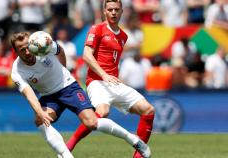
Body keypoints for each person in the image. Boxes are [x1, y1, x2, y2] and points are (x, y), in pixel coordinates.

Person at [10, 32, 151, 158]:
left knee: (92, 123)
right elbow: (29, 95)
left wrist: (64, 69)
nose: (28, 52)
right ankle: (66, 155)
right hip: (49, 96)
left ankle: (134, 140)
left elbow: (60, 51)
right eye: (22, 50)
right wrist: (40, 112)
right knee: (40, 120)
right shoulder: (17, 72)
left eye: (28, 47)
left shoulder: (43, 44)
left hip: (69, 87)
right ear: (16, 52)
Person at [65, 1, 155, 158]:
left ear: (122, 12)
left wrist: (112, 77)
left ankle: (138, 156)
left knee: (148, 110)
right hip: (97, 82)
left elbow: (113, 61)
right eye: (110, 9)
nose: (113, 12)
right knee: (102, 113)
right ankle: (67, 147)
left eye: (116, 10)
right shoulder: (97, 28)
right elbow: (87, 55)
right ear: (104, 11)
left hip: (114, 82)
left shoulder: (123, 36)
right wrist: (104, 74)